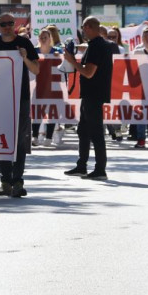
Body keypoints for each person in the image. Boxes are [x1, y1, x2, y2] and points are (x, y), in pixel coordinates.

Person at [0, 12, 39, 197]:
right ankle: (5, 181)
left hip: (21, 97)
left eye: (10, 23)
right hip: (0, 97)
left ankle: (18, 180)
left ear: (15, 25)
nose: (7, 26)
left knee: (19, 140)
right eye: (4, 24)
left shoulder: (25, 43)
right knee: (3, 139)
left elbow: (37, 70)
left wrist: (24, 58)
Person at [62, 16, 111, 180]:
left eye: (83, 28)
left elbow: (88, 72)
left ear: (89, 27)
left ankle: (100, 168)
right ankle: (82, 165)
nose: (83, 31)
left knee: (96, 132)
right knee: (83, 131)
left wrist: (72, 61)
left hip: (94, 94)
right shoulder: (96, 45)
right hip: (90, 94)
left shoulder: (97, 46)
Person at [32, 29, 61, 147]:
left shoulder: (57, 51)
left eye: (45, 37)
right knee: (38, 111)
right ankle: (35, 136)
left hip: (53, 85)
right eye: (41, 37)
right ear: (38, 39)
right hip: (37, 85)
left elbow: (63, 64)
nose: (43, 39)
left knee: (52, 111)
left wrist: (58, 56)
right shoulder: (34, 51)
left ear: (50, 39)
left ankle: (48, 138)